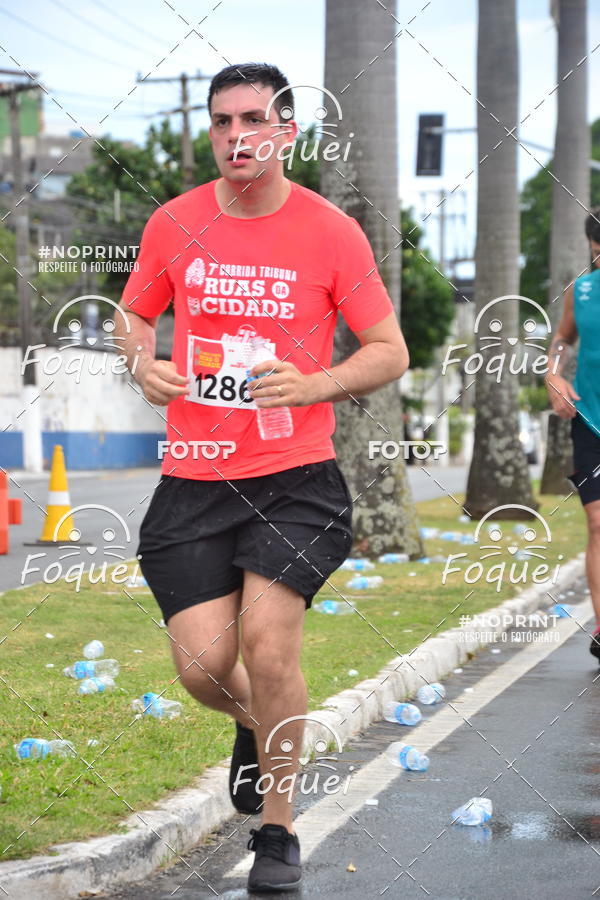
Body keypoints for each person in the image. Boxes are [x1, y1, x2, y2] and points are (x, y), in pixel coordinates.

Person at [116, 62, 409, 893]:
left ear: (286, 131)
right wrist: (143, 362)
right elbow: (134, 314)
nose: (236, 135)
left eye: (253, 118)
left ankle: (278, 831)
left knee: (271, 643)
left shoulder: (330, 233)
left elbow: (390, 350)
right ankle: (255, 724)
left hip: (296, 478)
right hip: (195, 476)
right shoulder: (174, 224)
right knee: (202, 668)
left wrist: (318, 382)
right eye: (221, 121)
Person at [544, 207, 600, 665]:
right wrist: (554, 374)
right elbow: (562, 339)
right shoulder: (580, 291)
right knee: (599, 523)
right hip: (592, 420)